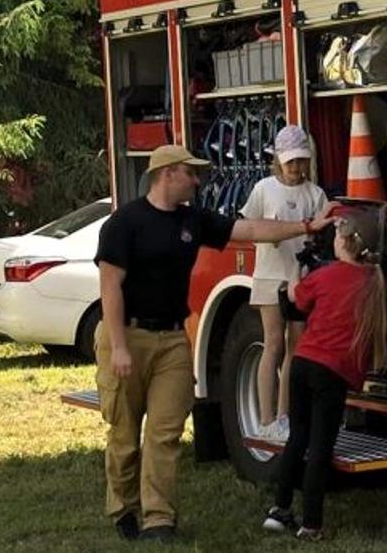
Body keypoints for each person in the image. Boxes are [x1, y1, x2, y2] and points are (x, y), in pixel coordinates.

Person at [94, 144, 338, 543]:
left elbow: (253, 229)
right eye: (191, 173)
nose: (198, 180)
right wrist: (119, 346)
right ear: (168, 173)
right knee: (124, 434)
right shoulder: (124, 223)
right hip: (127, 335)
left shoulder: (194, 219)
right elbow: (110, 289)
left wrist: (307, 227)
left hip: (172, 338)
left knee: (165, 432)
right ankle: (124, 507)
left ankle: (159, 520)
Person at [263, 204, 387, 543]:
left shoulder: (324, 275)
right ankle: (312, 523)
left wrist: (296, 272)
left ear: (346, 241)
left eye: (336, 234)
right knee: (321, 446)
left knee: (298, 438)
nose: (333, 240)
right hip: (333, 373)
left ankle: (279, 509)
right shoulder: (373, 283)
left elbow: (294, 301)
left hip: (303, 363)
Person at [239, 124, 329, 445]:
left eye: (301, 161)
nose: (296, 168)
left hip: (299, 281)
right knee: (272, 344)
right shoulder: (264, 189)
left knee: (295, 348)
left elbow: (321, 236)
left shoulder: (315, 194)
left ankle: (284, 416)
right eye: (290, 162)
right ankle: (265, 420)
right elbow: (249, 227)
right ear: (277, 160)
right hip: (268, 276)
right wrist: (272, 233)